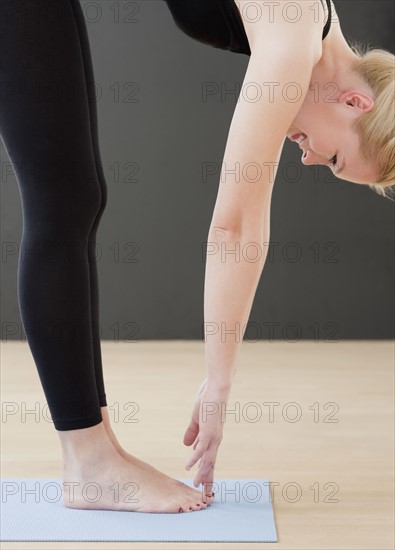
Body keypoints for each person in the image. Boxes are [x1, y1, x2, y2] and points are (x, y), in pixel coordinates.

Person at [0, 0, 393, 515]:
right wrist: (218, 382)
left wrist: (219, 376)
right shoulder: (294, 37)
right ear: (355, 103)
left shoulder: (307, 34)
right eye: (335, 158)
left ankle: (98, 452)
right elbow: (235, 227)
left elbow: (252, 213)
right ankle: (88, 462)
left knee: (74, 197)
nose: (310, 157)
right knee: (61, 201)